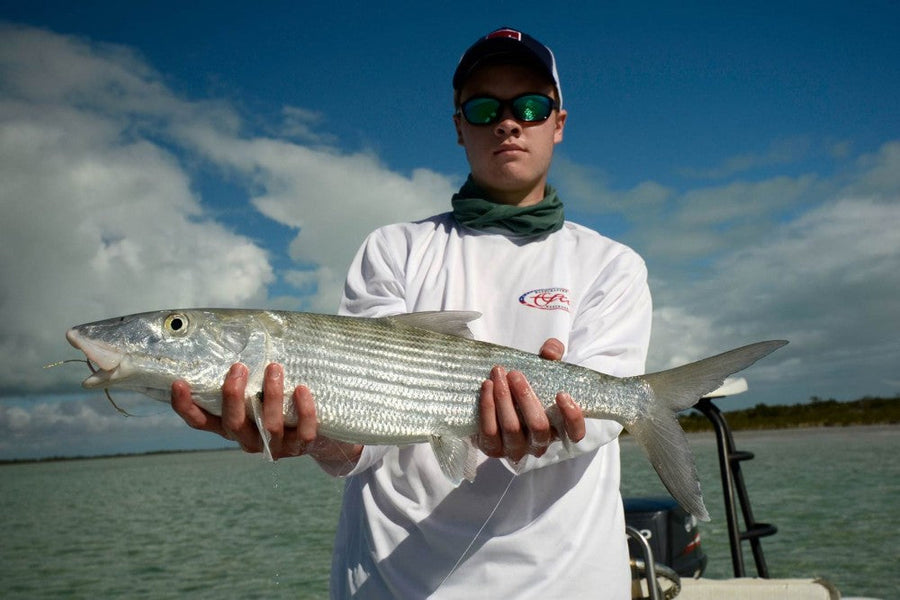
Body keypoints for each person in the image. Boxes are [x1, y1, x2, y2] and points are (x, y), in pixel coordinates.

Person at [172, 27, 651, 599]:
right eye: (482, 107)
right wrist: (316, 437)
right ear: (458, 126)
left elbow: (598, 419)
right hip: (391, 582)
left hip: (564, 582)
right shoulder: (392, 248)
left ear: (558, 122)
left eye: (530, 105)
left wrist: (554, 426)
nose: (507, 122)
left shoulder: (612, 264)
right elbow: (365, 438)